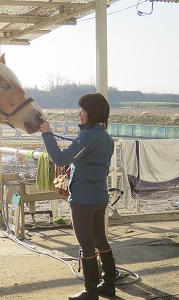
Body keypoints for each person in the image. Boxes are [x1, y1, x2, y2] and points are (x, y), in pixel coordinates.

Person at [39, 93, 116, 300]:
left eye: (82, 110)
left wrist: (47, 134)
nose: (79, 113)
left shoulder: (87, 137)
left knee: (86, 244)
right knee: (101, 240)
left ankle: (90, 291)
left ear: (92, 113)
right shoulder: (107, 138)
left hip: (83, 200)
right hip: (100, 197)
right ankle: (108, 283)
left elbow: (60, 158)